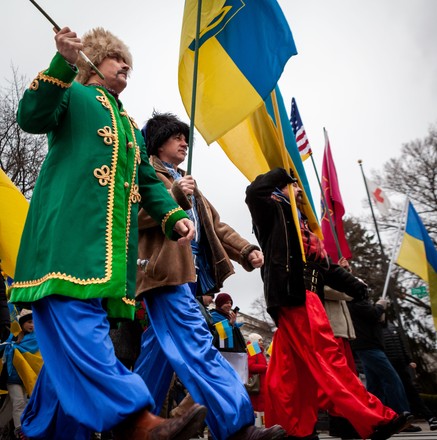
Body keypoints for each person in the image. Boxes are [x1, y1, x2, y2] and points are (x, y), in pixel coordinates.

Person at [10, 27, 208, 440]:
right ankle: (134, 420)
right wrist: (62, 63)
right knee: (83, 332)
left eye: (128, 64)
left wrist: (174, 217)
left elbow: (149, 183)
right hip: (64, 244)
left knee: (69, 352)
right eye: (117, 58)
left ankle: (43, 430)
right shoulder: (73, 93)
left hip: (108, 255)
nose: (125, 67)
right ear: (94, 59)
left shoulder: (130, 126)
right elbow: (30, 116)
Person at [134, 113, 285, 440]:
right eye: (177, 137)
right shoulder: (147, 174)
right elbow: (136, 214)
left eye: (185, 138)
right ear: (159, 142)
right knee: (197, 341)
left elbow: (214, 227)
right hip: (164, 271)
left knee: (158, 353)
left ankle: (133, 424)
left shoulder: (188, 180)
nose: (184, 142)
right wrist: (173, 193)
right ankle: (235, 426)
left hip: (191, 275)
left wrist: (245, 249)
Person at [245, 167, 412, 440]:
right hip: (295, 299)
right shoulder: (272, 213)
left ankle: (291, 430)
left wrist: (356, 286)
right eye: (294, 184)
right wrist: (281, 174)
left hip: (306, 299)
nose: (299, 189)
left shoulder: (305, 227)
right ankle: (375, 420)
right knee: (329, 360)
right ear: (283, 188)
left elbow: (327, 268)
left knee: (285, 376)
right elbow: (254, 192)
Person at [347, 298, 411, 417]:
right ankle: (401, 413)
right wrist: (380, 306)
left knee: (374, 384)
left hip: (369, 345)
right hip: (369, 345)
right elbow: (372, 315)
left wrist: (379, 312)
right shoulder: (356, 302)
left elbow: (375, 320)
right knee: (391, 378)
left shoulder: (358, 303)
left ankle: (377, 415)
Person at [382, 321, 437, 431]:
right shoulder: (373, 327)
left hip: (401, 365)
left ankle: (429, 417)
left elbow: (401, 345)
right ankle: (398, 421)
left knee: (412, 392)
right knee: (393, 393)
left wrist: (408, 360)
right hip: (387, 365)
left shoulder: (392, 325)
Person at [0, 310, 39, 440]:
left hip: (25, 378)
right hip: (13, 378)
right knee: (19, 403)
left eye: (34, 322)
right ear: (22, 323)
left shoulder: (37, 339)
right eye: (29, 322)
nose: (32, 325)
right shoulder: (13, 337)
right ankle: (20, 431)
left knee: (11, 406)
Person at [210, 293, 248, 383]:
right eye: (226, 303)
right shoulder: (213, 315)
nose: (230, 305)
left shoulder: (227, 317)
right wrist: (230, 324)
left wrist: (235, 324)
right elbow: (220, 336)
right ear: (220, 303)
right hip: (220, 356)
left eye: (231, 303)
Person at [246, 333, 268, 414]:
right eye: (259, 340)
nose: (261, 342)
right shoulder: (253, 348)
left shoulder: (257, 349)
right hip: (258, 383)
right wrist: (265, 367)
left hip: (261, 382)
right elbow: (251, 366)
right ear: (254, 341)